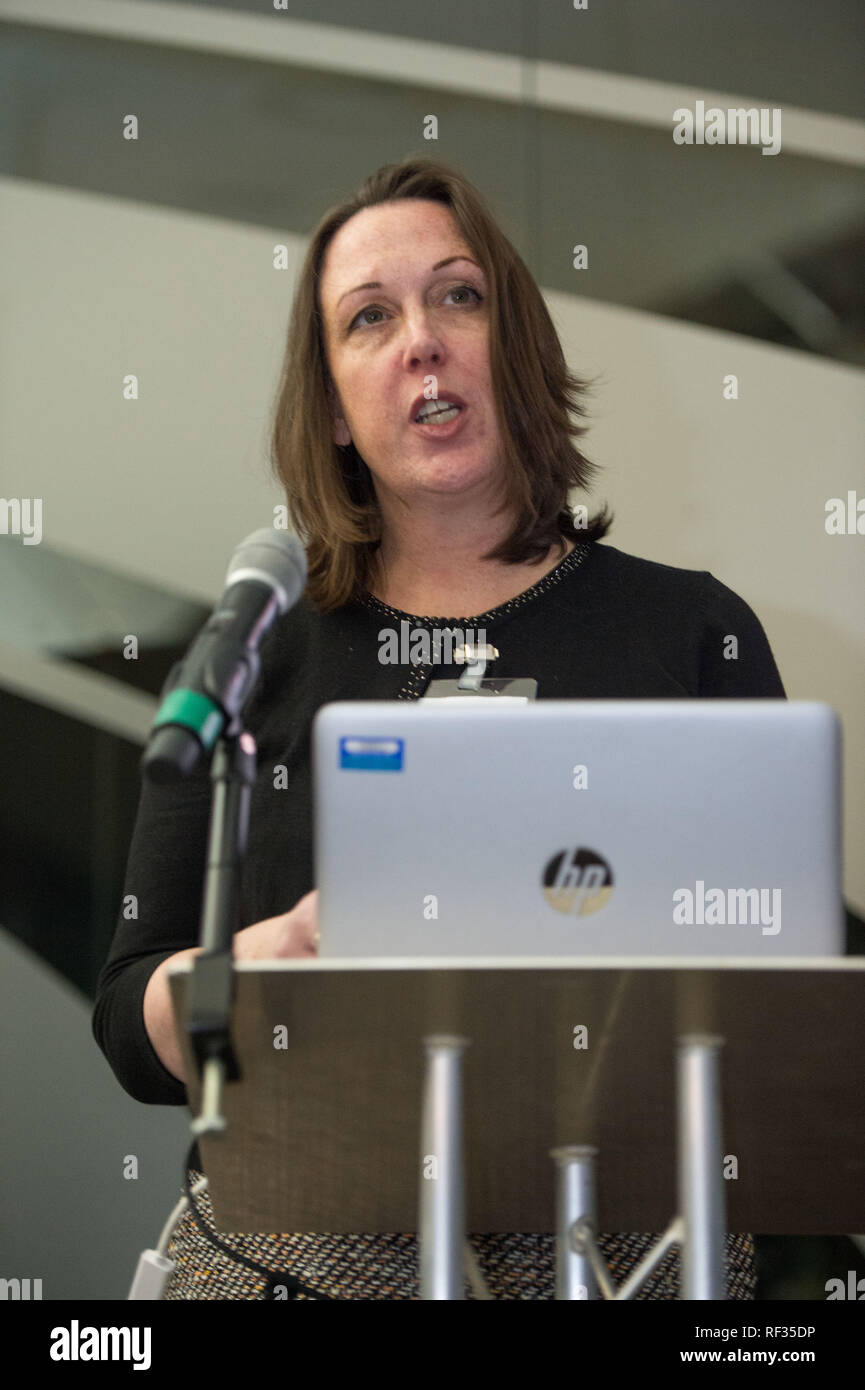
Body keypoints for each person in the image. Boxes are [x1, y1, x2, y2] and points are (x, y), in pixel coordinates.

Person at [93, 155, 784, 1300]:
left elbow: (784, 1010)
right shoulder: (253, 662)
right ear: (329, 404)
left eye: (458, 296)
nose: (421, 339)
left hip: (629, 1255)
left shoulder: (690, 632)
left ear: (514, 350)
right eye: (369, 317)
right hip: (296, 1252)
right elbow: (130, 1019)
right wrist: (251, 975)